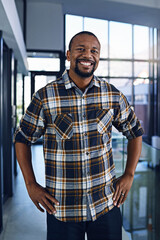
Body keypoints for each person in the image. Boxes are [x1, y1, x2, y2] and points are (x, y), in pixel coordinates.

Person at [14, 31, 144, 240]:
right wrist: (30, 184)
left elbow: (135, 132)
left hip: (106, 205)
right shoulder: (46, 96)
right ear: (68, 54)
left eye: (94, 51)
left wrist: (129, 174)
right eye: (81, 49)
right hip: (62, 208)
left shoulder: (112, 95)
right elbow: (22, 138)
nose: (88, 55)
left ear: (98, 57)